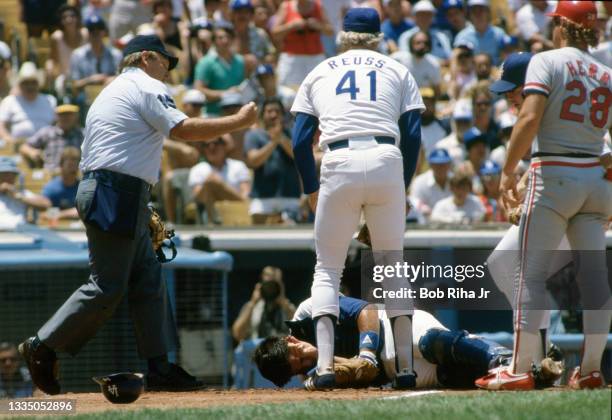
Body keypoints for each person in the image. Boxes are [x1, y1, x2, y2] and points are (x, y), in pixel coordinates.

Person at [17, 34, 258, 395]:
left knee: (148, 279)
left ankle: (158, 366)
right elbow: (183, 129)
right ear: (146, 57)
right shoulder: (144, 84)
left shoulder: (116, 89)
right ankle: (42, 344)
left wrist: (140, 201)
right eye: (165, 61)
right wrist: (237, 122)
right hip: (115, 192)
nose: (168, 69)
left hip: (120, 192)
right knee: (107, 285)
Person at [476, 1, 612, 390]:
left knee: (526, 272)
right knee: (593, 276)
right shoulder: (605, 72)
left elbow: (531, 117)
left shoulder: (547, 62)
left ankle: (523, 367)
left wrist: (507, 174)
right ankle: (588, 369)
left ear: (561, 25)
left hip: (556, 175)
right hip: (595, 183)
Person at [290, 8, 424, 390]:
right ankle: (405, 370)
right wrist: (403, 187)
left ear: (344, 35)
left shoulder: (319, 71)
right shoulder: (397, 69)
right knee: (392, 265)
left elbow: (300, 139)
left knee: (327, 268)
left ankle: (327, 366)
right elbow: (412, 134)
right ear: (377, 37)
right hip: (386, 158)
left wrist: (311, 190)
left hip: (339, 159)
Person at [253, 295, 514, 389]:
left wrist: (365, 352)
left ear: (290, 339)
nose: (303, 359)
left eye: (296, 351)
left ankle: (502, 357)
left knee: (433, 344)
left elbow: (365, 311)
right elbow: (364, 374)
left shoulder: (311, 311)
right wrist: (327, 358)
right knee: (454, 376)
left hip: (394, 329)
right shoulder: (313, 379)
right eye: (297, 366)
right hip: (392, 372)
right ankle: (533, 367)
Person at [244, 97, 302, 224]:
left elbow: (300, 158)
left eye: (277, 111)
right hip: (262, 198)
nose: (273, 114)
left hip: (290, 197)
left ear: (282, 115)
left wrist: (281, 139)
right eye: (269, 111)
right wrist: (273, 142)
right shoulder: (253, 135)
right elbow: (253, 160)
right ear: (262, 114)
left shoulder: (293, 134)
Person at [188, 136, 252, 224]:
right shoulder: (197, 169)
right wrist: (210, 184)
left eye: (216, 143)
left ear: (224, 146)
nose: (211, 147)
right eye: (206, 145)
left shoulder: (238, 166)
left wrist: (221, 185)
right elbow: (199, 198)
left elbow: (245, 196)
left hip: (237, 209)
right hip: (209, 210)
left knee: (213, 183)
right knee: (210, 184)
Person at [271, 0, 334, 88]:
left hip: (315, 58)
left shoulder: (318, 6)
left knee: (319, 88)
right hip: (291, 59)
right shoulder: (286, 6)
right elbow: (274, 33)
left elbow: (330, 31)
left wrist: (318, 25)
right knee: (288, 91)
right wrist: (291, 26)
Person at [194, 23, 247, 116]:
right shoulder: (206, 62)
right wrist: (225, 94)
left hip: (237, 114)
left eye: (228, 37)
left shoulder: (240, 61)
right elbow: (199, 89)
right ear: (214, 41)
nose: (225, 40)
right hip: (213, 114)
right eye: (220, 38)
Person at [232, 266, 296, 342]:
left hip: (281, 349)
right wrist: (253, 303)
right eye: (268, 285)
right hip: (257, 349)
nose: (270, 288)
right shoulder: (251, 306)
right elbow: (237, 334)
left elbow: (299, 330)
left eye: (274, 285)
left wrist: (283, 301)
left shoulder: (287, 306)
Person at [0, 63, 56, 145]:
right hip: (18, 147)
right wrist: (9, 140)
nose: (30, 86)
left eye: (33, 82)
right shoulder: (10, 101)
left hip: (47, 146)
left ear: (38, 84)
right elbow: (1, 126)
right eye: (26, 83)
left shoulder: (49, 100)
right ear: (19, 85)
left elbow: (56, 125)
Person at [19, 104, 84, 172]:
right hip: (50, 174)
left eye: (69, 114)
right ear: (56, 117)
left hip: (75, 175)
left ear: (76, 117)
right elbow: (24, 147)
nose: (66, 118)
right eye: (62, 115)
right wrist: (32, 152)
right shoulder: (47, 132)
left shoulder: (82, 134)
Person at [70, 16, 122, 97]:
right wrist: (90, 80)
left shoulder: (116, 54)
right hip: (86, 98)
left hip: (110, 96)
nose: (95, 33)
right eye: (92, 30)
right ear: (87, 33)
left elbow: (124, 80)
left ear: (104, 32)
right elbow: (74, 85)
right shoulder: (77, 55)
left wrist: (113, 79)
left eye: (99, 29)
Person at [0, 156, 51, 230]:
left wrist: (17, 196)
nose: (7, 177)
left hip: (19, 234)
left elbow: (46, 204)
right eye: (3, 174)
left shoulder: (21, 193)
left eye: (10, 174)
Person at [453, 0, 507, 65]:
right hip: (472, 73)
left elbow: (506, 57)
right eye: (474, 12)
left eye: (481, 11)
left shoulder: (499, 34)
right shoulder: (462, 36)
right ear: (470, 15)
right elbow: (456, 60)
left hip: (497, 72)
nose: (478, 15)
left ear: (488, 12)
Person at [391, 31, 442, 95]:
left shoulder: (433, 63)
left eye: (425, 43)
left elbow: (437, 89)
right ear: (411, 44)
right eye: (418, 43)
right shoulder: (397, 59)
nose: (422, 45)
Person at [40, 146, 81, 224]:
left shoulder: (82, 188)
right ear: (61, 166)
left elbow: (82, 212)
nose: (73, 170)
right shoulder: (51, 188)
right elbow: (43, 214)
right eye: (70, 166)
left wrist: (60, 214)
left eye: (75, 166)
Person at [409, 148, 453, 220]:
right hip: (425, 227)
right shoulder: (420, 182)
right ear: (431, 165)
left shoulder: (456, 181)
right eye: (437, 164)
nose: (441, 168)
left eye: (444, 164)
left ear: (449, 164)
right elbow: (414, 204)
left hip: (453, 226)